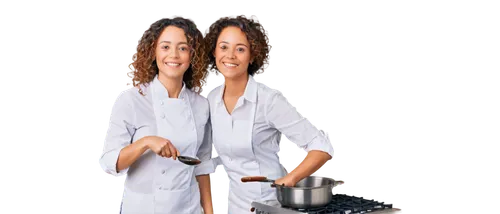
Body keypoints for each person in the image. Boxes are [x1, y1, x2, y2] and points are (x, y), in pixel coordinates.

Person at [203, 14, 336, 214]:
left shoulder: (269, 101)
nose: (230, 55)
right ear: (213, 51)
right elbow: (205, 161)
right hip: (236, 207)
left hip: (272, 206)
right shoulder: (210, 101)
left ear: (253, 55)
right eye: (223, 47)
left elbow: (321, 146)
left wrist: (292, 178)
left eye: (240, 49)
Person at [98, 15, 215, 214]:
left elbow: (202, 165)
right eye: (166, 47)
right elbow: (110, 162)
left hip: (189, 207)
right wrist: (146, 142)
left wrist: (210, 212)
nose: (174, 55)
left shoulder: (201, 104)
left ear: (192, 55)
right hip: (144, 208)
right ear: (153, 51)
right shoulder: (132, 100)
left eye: (183, 48)